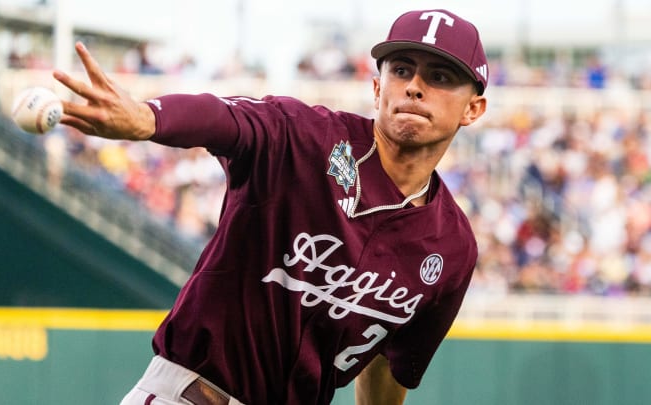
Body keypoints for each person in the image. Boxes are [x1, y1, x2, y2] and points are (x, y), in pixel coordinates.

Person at [52, 8, 488, 405]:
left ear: (473, 108)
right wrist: (150, 118)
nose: (414, 87)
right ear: (377, 88)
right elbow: (226, 119)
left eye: (440, 77)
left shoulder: (452, 247)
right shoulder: (306, 138)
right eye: (401, 70)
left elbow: (391, 361)